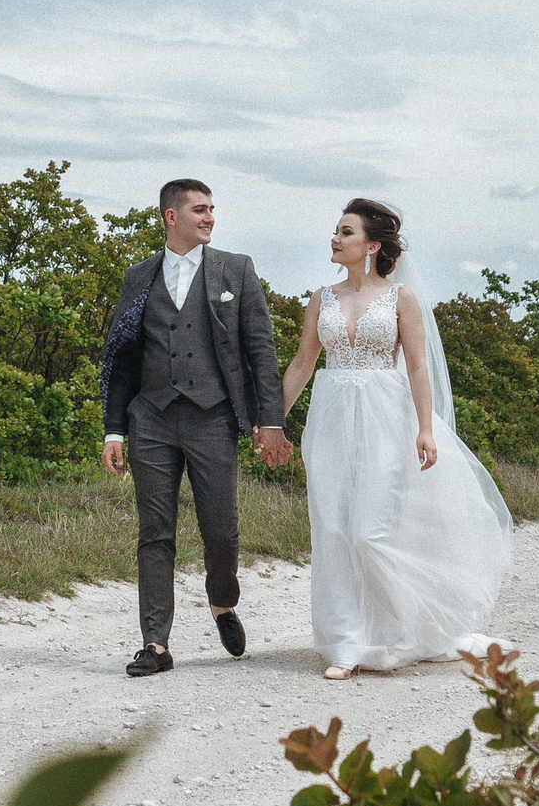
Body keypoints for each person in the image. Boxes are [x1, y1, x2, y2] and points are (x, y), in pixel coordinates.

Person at [278, 199, 513, 678]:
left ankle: (408, 629)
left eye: (346, 232)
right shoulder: (321, 297)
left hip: (387, 415)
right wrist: (271, 422)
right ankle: (345, 645)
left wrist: (426, 427)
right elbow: (304, 364)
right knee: (334, 529)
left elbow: (418, 365)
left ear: (372, 245)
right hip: (331, 416)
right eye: (336, 231)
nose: (335, 239)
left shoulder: (400, 297)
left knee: (370, 531)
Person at [100, 179, 291, 678]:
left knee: (220, 529)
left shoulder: (235, 269)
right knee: (155, 532)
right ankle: (155, 644)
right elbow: (121, 358)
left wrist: (269, 419)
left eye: (212, 210)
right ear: (171, 216)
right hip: (152, 420)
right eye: (200, 210)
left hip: (211, 416)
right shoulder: (139, 275)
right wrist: (114, 430)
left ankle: (222, 602)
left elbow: (260, 350)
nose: (210, 218)